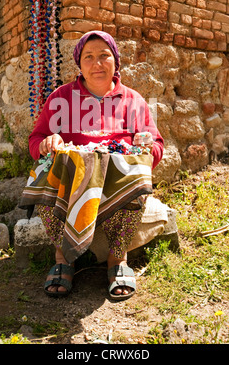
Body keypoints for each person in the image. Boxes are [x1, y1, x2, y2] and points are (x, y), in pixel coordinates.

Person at [28, 30, 164, 300]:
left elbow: (157, 147)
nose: (97, 63)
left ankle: (117, 260)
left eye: (104, 56)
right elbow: (36, 140)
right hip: (73, 184)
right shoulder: (61, 97)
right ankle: (63, 257)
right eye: (89, 57)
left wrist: (146, 147)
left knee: (136, 180)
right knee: (42, 176)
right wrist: (47, 143)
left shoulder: (133, 100)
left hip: (116, 186)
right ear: (79, 64)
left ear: (116, 62)